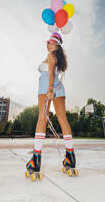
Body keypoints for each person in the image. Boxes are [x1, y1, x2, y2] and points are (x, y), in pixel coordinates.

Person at [26, 32, 76, 173]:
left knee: (42, 119)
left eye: (51, 42)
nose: (48, 44)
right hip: (58, 88)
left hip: (46, 88)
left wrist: (49, 90)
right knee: (62, 119)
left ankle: (36, 159)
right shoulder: (55, 57)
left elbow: (50, 73)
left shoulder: (51, 56)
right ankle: (70, 156)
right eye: (48, 42)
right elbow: (53, 73)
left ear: (56, 45)